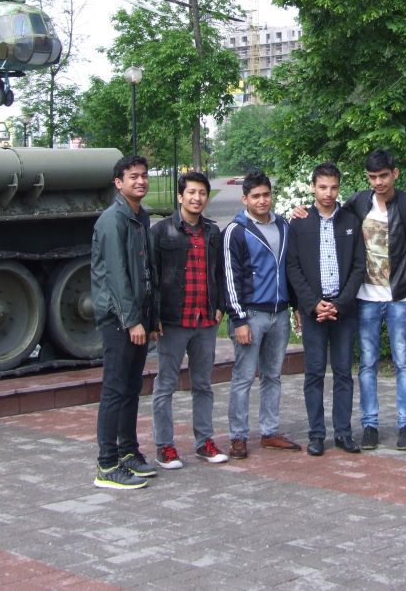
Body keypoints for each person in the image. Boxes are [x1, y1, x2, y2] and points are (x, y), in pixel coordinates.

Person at [149, 171, 230, 469]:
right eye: (191, 192)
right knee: (166, 384)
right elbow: (152, 276)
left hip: (205, 321)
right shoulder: (161, 232)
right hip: (173, 321)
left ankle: (204, 442)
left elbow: (219, 272)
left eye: (202, 193)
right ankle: (164, 446)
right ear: (180, 196)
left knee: (203, 384)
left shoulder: (212, 232)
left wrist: (220, 305)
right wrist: (154, 315)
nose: (197, 198)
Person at [349, 149, 406, 452]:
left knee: (403, 362)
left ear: (395, 173)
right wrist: (303, 212)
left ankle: (405, 425)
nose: (378, 182)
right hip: (365, 297)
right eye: (372, 177)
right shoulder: (359, 203)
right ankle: (370, 425)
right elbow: (332, 222)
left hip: (398, 298)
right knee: (367, 363)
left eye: (383, 175)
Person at [286, 162, 367, 456]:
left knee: (344, 373)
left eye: (333, 187)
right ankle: (317, 435)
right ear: (313, 188)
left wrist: (340, 304)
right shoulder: (300, 222)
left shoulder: (350, 221)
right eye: (322, 187)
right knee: (314, 373)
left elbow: (359, 267)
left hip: (342, 311)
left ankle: (344, 433)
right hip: (314, 312)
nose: (328, 193)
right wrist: (311, 304)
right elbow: (293, 267)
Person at [90, 154, 160, 490]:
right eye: (133, 176)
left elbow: (147, 272)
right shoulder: (112, 220)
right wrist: (132, 321)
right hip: (119, 319)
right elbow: (116, 277)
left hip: (138, 317)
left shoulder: (140, 217)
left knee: (132, 387)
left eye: (144, 175)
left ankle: (128, 452)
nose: (141, 181)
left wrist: (151, 318)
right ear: (119, 183)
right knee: (115, 389)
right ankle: (106, 465)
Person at [222, 170, 301, 458]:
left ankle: (270, 431)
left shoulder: (283, 225)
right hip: (251, 315)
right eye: (255, 196)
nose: (262, 200)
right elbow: (230, 278)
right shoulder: (236, 230)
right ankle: (238, 436)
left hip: (279, 314)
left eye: (266, 194)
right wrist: (238, 319)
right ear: (245, 199)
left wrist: (296, 306)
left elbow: (290, 269)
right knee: (243, 377)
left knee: (273, 376)